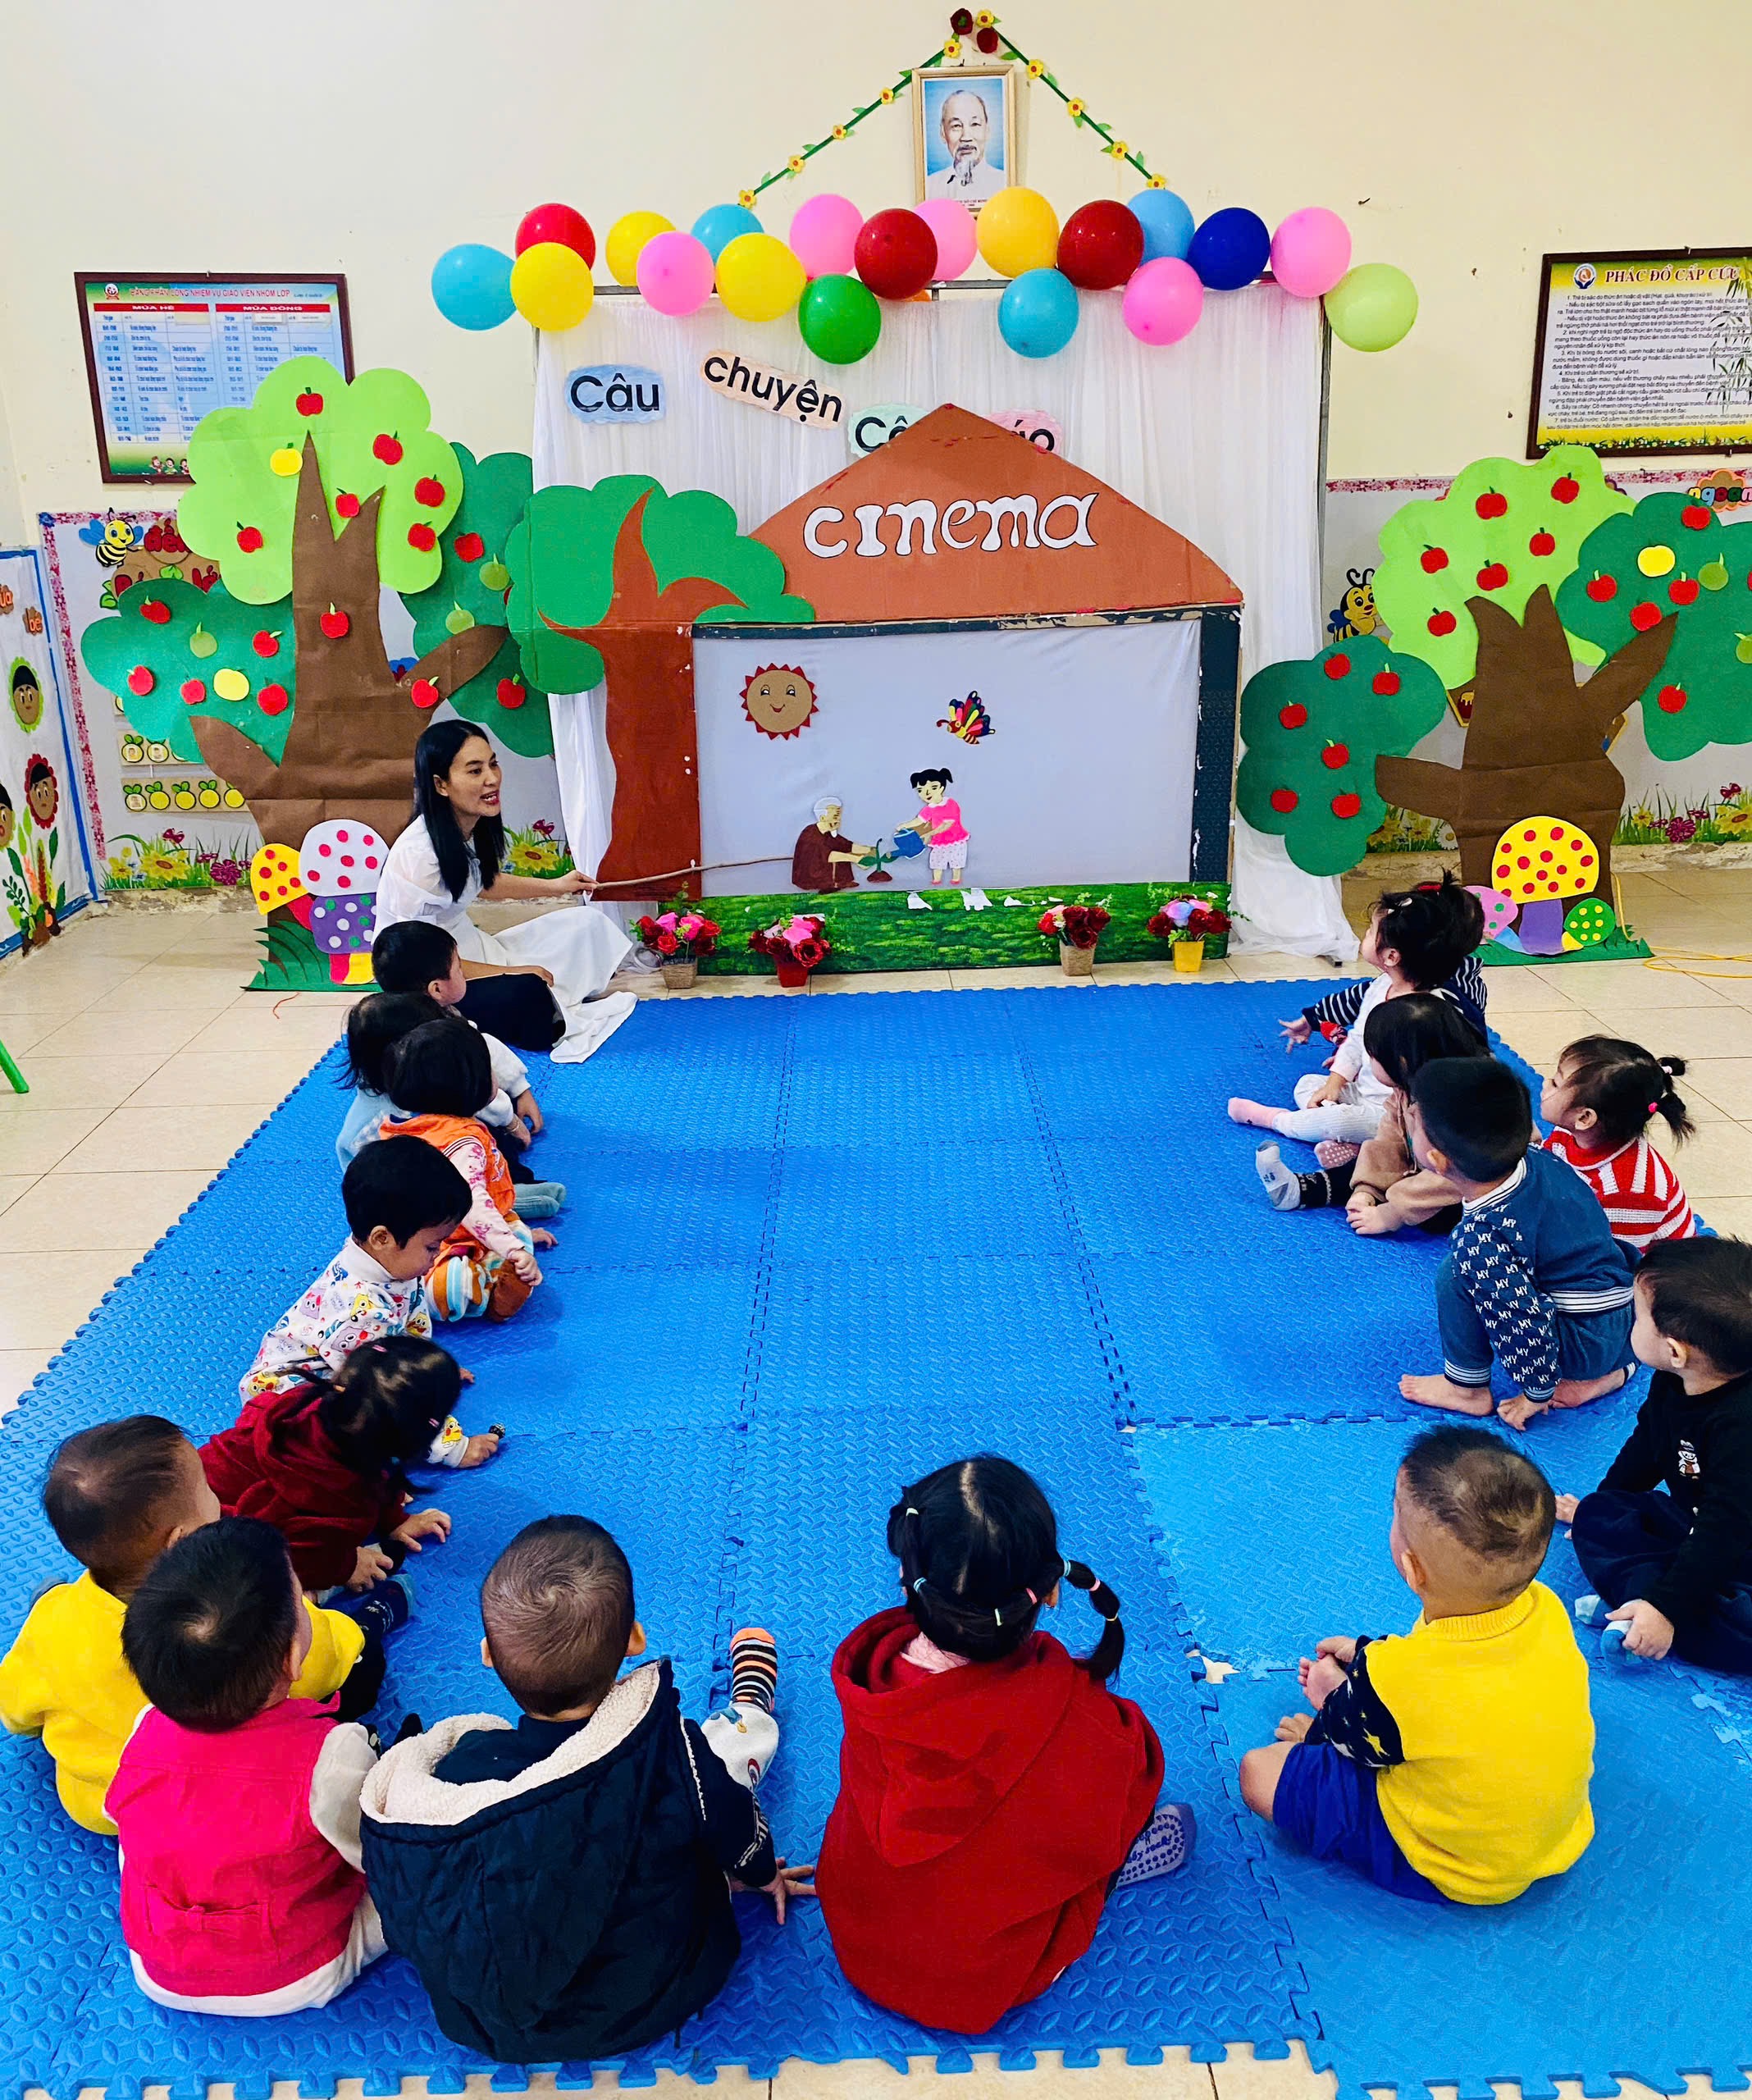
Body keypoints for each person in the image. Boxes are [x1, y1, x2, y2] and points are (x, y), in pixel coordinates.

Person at [361, 1517, 811, 2063]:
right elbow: (736, 1824)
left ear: (487, 1655)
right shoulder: (673, 1750)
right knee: (722, 1759)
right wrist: (762, 1873)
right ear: (635, 1641)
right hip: (663, 1989)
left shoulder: (457, 1777)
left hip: (503, 2032)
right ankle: (750, 1704)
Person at [817, 1455, 1185, 2036]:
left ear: (906, 1578)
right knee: (1114, 1805)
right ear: (1051, 1593)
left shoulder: (871, 1679)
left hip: (859, 1942)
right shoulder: (1071, 1714)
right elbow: (1138, 1771)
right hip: (986, 1980)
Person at [1239, 1427, 1594, 1907]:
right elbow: (1448, 1682)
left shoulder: (1401, 1678)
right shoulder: (1545, 1607)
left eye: (1395, 1516)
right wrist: (1367, 1655)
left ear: (1411, 1568)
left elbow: (1364, 1736)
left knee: (1259, 1771)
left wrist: (1328, 1706)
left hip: (1456, 1867)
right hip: (1556, 1838)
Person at [0, 1418, 379, 1836]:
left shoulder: (53, 1623)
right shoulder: (234, 1621)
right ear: (181, 1541)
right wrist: (342, 1631)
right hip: (214, 1798)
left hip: (102, 1803)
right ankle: (382, 1615)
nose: (218, 1498)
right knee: (360, 1664)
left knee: (54, 1614)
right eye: (209, 1491)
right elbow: (321, 1661)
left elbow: (14, 1711)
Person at [110, 1519, 386, 2015]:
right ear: (292, 1660)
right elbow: (371, 1851)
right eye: (301, 1599)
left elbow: (126, 1822)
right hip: (297, 1976)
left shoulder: (143, 1729)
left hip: (159, 1972)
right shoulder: (332, 1753)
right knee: (408, 1883)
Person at [1397, 1057, 1636, 1428]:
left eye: (1415, 1119)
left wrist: (1535, 1393)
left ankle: (1466, 1389)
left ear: (1438, 1161)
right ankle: (1609, 1375)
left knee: (1456, 1271)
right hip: (1626, 1319)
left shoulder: (1481, 1237)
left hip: (1582, 1342)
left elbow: (1522, 1319)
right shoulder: (1536, 1159)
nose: (1410, 1114)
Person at [372, 720, 635, 1057]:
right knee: (530, 993)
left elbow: (482, 882)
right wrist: (515, 972)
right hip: (435, 982)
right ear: (440, 784)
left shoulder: (465, 827)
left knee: (587, 924)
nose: (492, 778)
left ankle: (547, 991)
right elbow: (421, 963)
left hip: (475, 951)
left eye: (493, 764)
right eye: (475, 770)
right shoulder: (419, 858)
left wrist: (557, 886)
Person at [1557, 1237, 1752, 1671]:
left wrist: (1666, 1608)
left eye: (1637, 1316)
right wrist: (1604, 1500)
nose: (1631, 1323)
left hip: (1737, 1542)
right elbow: (1649, 1444)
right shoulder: (1674, 1378)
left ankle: (1645, 1610)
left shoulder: (1741, 1427)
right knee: (1600, 1516)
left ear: (1675, 1350)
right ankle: (1639, 1608)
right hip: (1701, 1527)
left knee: (1737, 1626)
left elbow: (1726, 1528)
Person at [241, 1141, 498, 1468]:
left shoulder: (390, 1263)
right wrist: (454, 1449)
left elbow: (409, 1327)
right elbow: (392, 1391)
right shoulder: (363, 1314)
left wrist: (428, 1372)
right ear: (382, 1238)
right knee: (351, 1448)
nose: (436, 1257)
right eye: (432, 1247)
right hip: (284, 1403)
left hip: (334, 1370)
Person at [1231, 875, 1486, 1153]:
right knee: (1307, 1085)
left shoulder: (1427, 1011)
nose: (1364, 934)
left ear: (1391, 956)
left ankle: (1278, 1120)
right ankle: (1353, 1142)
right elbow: (1356, 1040)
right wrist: (1335, 1082)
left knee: (1339, 1120)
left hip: (1397, 1112)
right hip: (1363, 1092)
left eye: (1370, 931)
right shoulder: (1381, 986)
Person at [203, 1335, 469, 1596]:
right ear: (412, 1443)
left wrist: (395, 1520)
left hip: (200, 1484)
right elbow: (303, 1560)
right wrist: (348, 1567)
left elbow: (381, 1471)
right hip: (211, 1541)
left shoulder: (311, 1401)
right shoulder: (343, 1505)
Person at [342, 958, 563, 1217]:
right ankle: (494, 1202)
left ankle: (496, 1190)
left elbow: (482, 1081)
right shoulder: (377, 1126)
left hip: (453, 1139)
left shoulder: (429, 1073)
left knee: (492, 1140)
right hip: (416, 1188)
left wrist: (518, 1096)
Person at [1256, 991, 1488, 1228]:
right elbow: (1388, 1142)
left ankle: (1391, 1199)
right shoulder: (1406, 1090)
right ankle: (1296, 1191)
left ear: (1402, 1062)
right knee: (1371, 1164)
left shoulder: (1456, 1109)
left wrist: (1389, 1214)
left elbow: (1454, 1179)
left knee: (1424, 1205)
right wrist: (1365, 1190)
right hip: (1425, 1168)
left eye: (1372, 1056)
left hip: (1470, 1193)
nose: (1368, 1063)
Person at [381, 1018, 552, 1322]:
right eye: (490, 1069)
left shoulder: (405, 1124)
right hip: (444, 1238)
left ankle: (495, 1258)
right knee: (451, 1285)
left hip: (454, 1230)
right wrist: (512, 1248)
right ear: (472, 1084)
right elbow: (473, 1205)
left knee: (513, 1229)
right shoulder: (463, 1143)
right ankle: (488, 1291)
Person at [1540, 1035, 1697, 1253]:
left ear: (1585, 1118)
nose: (1545, 1084)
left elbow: (1617, 1261)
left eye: (1556, 1083)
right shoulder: (1567, 1133)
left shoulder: (1628, 1191)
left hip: (1652, 1266)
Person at [923, 86, 1006, 205]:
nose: (966, 137)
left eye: (975, 124)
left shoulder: (1004, 184)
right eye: (956, 126)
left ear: (987, 131)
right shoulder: (930, 187)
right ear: (943, 133)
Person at [901, 767, 969, 888]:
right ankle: (936, 882)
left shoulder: (950, 804)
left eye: (933, 788)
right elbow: (919, 820)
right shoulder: (929, 808)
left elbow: (946, 825)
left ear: (942, 788)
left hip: (956, 839)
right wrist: (905, 825)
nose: (927, 793)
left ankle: (956, 881)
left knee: (956, 862)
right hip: (939, 841)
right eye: (921, 790)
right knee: (937, 862)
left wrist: (928, 834)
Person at [791, 797, 872, 893]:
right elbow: (829, 856)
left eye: (839, 816)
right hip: (810, 877)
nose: (839, 820)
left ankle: (842, 881)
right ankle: (830, 885)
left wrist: (870, 850)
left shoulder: (828, 833)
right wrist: (857, 859)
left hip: (824, 871)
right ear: (822, 818)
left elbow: (847, 845)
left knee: (841, 848)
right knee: (839, 855)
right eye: (835, 817)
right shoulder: (810, 834)